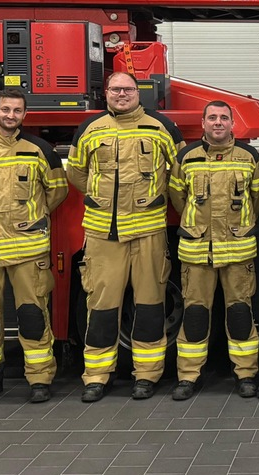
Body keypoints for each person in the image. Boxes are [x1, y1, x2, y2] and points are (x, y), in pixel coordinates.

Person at [66, 72, 184, 402]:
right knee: (101, 306)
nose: (122, 94)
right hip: (104, 233)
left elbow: (179, 172)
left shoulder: (162, 128)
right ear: (106, 94)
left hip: (148, 230)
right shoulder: (90, 129)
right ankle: (97, 377)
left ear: (138, 93)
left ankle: (147, 375)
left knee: (149, 306)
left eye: (128, 89)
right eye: (116, 89)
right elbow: (76, 173)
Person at [0, 88, 67, 405]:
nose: (10, 115)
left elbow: (56, 191)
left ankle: (40, 379)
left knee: (33, 314)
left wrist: (28, 218)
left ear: (24, 115)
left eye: (17, 111)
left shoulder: (39, 150)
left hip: (26, 245)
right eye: (6, 109)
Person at [167, 100, 259, 401]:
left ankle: (246, 373)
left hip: (237, 250)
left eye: (224, 118)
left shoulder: (249, 157)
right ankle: (188, 376)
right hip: (198, 251)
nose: (218, 123)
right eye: (213, 118)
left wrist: (241, 226)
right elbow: (177, 196)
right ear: (203, 123)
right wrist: (197, 227)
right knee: (195, 314)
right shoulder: (187, 157)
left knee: (240, 313)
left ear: (233, 123)